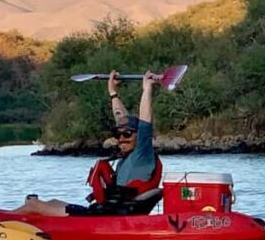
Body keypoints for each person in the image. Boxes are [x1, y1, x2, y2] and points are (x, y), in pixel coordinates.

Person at [13, 69, 162, 216]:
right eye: (118, 134)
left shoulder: (142, 155)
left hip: (107, 218)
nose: (122, 138)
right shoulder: (129, 154)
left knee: (33, 205)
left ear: (139, 136)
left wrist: (147, 89)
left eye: (127, 134)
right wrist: (112, 91)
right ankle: (7, 222)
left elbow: (145, 123)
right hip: (104, 212)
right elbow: (121, 118)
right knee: (52, 202)